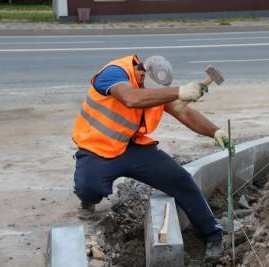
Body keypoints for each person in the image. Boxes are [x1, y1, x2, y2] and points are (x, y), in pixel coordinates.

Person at [71, 55, 229, 258]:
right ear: (141, 72)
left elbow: (185, 114)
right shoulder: (113, 73)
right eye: (150, 89)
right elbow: (131, 98)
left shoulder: (151, 91)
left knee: (180, 180)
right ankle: (87, 199)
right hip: (97, 149)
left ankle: (212, 234)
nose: (152, 93)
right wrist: (179, 91)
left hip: (133, 148)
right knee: (89, 187)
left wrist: (215, 132)